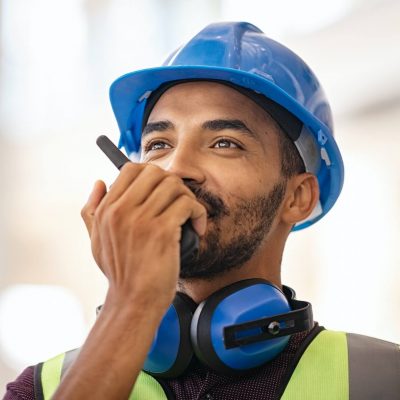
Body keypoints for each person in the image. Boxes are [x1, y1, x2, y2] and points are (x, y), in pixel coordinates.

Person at [4, 21, 399, 400]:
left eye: (225, 143)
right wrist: (130, 305)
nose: (176, 168)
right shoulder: (39, 389)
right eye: (158, 144)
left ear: (297, 197)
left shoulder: (383, 381)